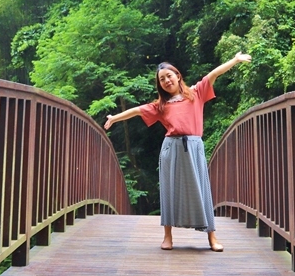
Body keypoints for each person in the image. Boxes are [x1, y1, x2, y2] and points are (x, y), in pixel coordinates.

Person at [104, 52, 252, 251]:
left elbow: (213, 75)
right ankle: (167, 237)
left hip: (194, 146)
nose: (166, 80)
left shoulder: (196, 93)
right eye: (162, 79)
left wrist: (234, 61)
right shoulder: (161, 105)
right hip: (171, 148)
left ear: (178, 75)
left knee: (202, 188)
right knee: (169, 190)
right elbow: (138, 110)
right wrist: (114, 118)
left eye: (169, 76)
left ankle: (212, 238)